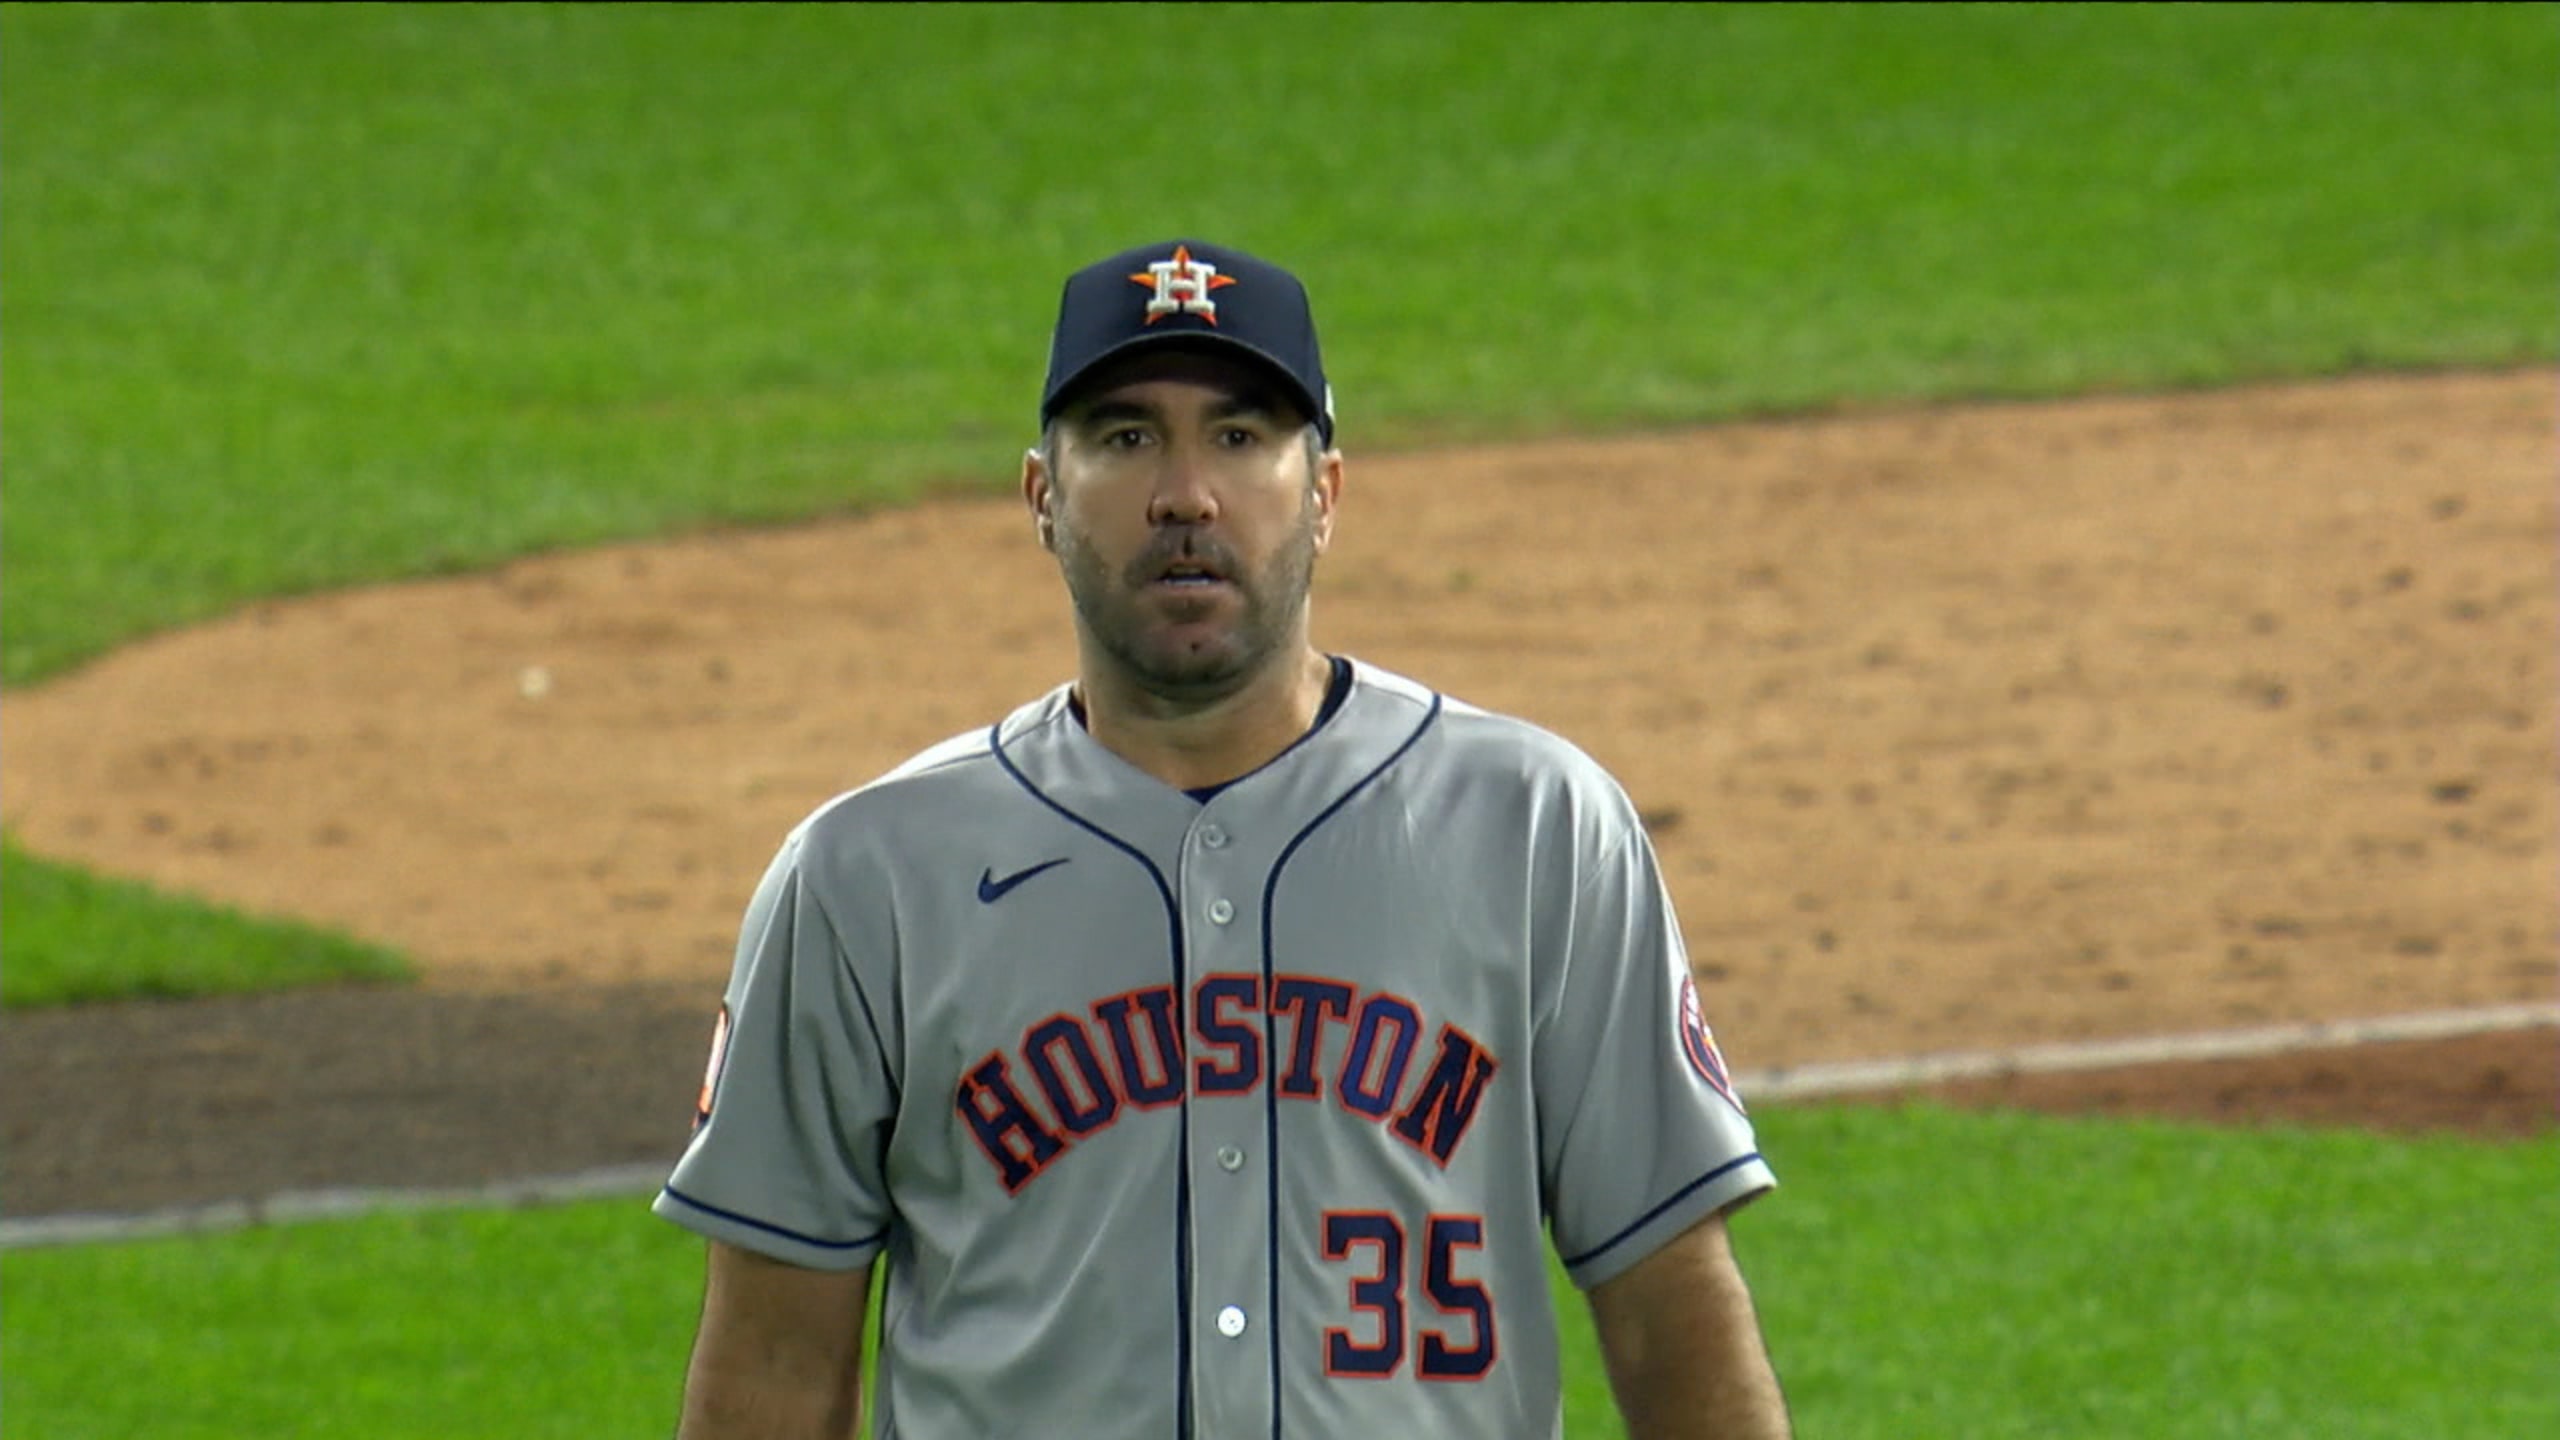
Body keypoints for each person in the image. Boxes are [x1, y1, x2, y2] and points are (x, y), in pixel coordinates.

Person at [656, 239, 1792, 1439]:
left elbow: (1672, 1304)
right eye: (1126, 436)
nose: (1186, 495)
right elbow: (773, 1361)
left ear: (1326, 494)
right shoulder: (866, 876)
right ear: (1042, 494)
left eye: (1241, 437)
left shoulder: (1536, 828)